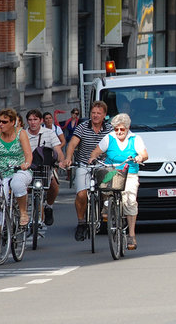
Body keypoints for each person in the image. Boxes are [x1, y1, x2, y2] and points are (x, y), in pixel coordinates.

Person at [89, 113, 147, 250]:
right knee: (104, 183)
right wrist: (92, 158)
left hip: (129, 173)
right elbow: (96, 152)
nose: (119, 132)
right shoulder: (109, 138)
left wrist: (140, 157)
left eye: (122, 129)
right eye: (116, 129)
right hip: (112, 171)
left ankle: (131, 235)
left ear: (127, 128)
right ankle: (107, 204)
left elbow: (145, 154)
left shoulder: (135, 139)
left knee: (130, 201)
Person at [0, 108, 33, 254]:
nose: (1, 124)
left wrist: (26, 163)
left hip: (20, 169)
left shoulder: (21, 133)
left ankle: (23, 212)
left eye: (4, 121)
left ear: (13, 122)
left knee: (17, 184)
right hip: (1, 172)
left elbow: (28, 155)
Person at [61, 101, 113, 241]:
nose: (95, 116)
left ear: (104, 116)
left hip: (103, 164)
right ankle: (81, 223)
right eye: (93, 113)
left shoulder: (110, 129)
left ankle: (105, 210)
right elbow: (72, 144)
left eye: (98, 113)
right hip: (84, 164)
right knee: (81, 194)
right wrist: (68, 158)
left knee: (107, 189)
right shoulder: (83, 127)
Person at [26, 109, 65, 226]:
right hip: (28, 168)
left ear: (40, 121)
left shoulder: (49, 133)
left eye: (35, 119)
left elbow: (58, 150)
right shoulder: (23, 134)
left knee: (53, 185)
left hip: (45, 167)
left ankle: (49, 206)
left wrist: (62, 161)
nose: (33, 122)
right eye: (30, 120)